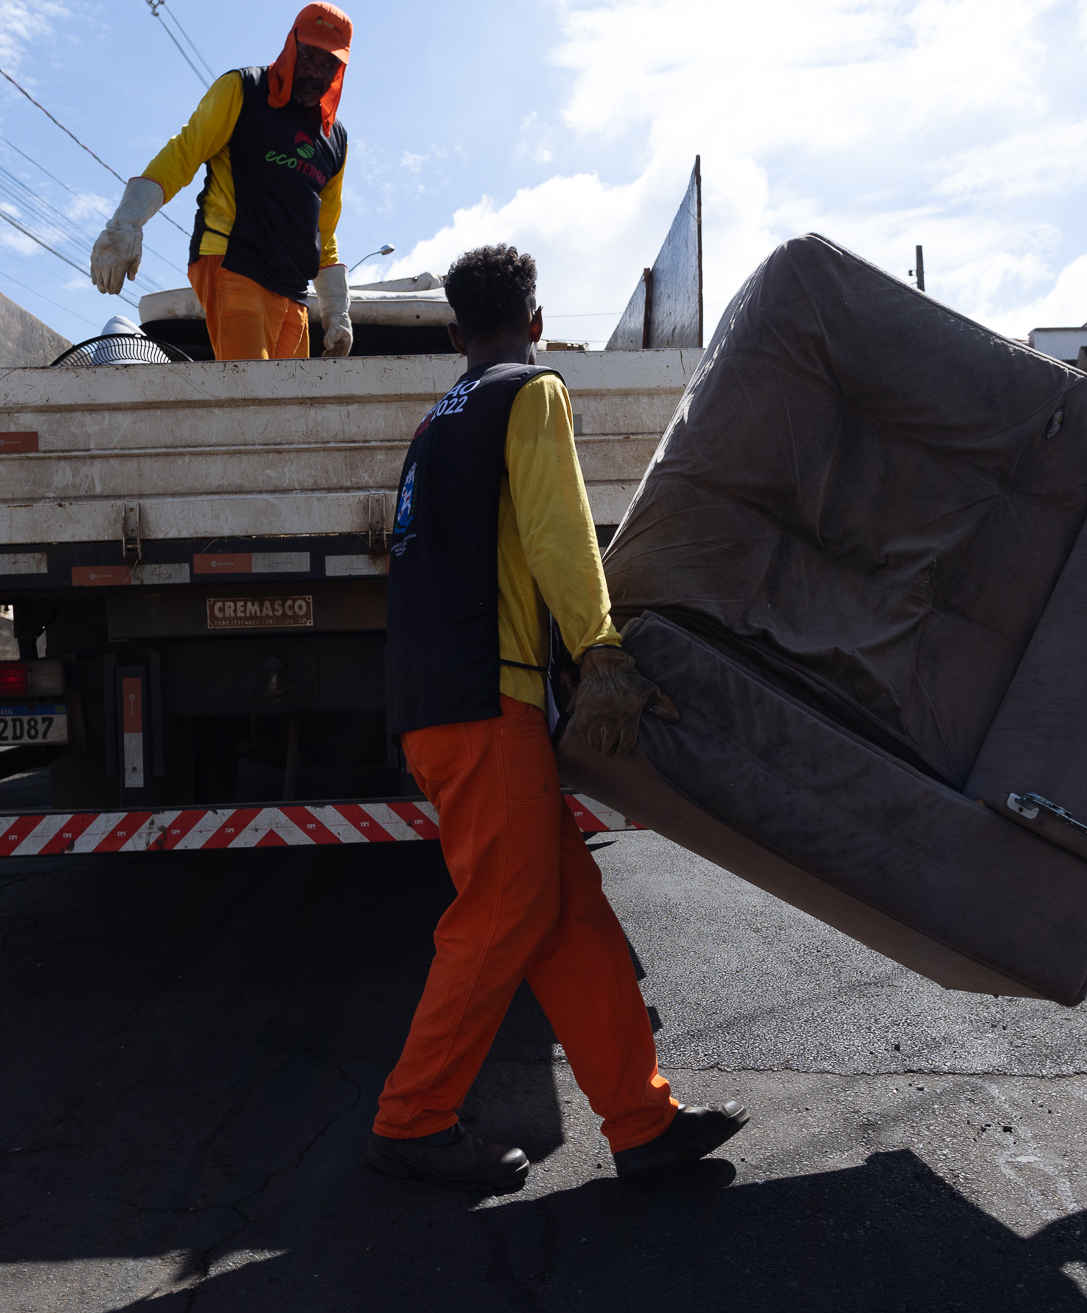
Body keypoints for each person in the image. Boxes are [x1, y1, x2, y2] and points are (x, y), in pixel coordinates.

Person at [367, 244, 751, 1191]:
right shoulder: (528, 393)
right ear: (536, 323)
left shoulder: (436, 422)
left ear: (454, 333)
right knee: (503, 912)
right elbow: (559, 532)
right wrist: (601, 650)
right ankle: (411, 1118)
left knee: (566, 912)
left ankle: (641, 1119)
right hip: (481, 702)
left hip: (436, 702)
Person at [89, 3, 354, 361]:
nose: (315, 73)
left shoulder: (334, 138)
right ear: (291, 46)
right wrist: (126, 223)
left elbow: (325, 230)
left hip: (292, 290)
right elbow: (182, 154)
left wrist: (337, 312)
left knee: (290, 408)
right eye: (309, 57)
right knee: (253, 401)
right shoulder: (244, 90)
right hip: (234, 263)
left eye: (329, 65)